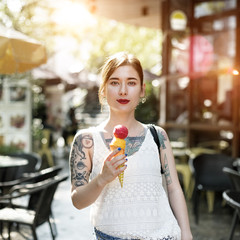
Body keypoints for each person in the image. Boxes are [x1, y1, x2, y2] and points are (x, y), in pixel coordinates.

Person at [69, 52, 193, 240]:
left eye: (132, 82)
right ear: (103, 89)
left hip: (165, 235)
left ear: (142, 90)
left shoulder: (158, 135)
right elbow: (77, 201)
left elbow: (174, 188)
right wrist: (102, 178)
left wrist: (186, 233)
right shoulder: (86, 141)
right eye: (115, 82)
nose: (123, 91)